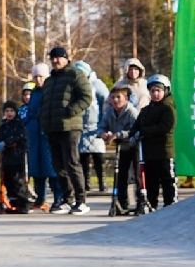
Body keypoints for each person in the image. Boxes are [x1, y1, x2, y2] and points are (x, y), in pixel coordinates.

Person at [39, 46, 94, 214]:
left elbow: (86, 97)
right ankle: (67, 200)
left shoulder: (75, 75)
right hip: (52, 127)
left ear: (66, 59)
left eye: (59, 58)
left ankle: (81, 201)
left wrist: (70, 111)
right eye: (53, 58)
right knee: (58, 165)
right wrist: (44, 121)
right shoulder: (49, 81)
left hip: (70, 126)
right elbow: (45, 103)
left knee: (71, 162)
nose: (55, 61)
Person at [134, 75, 177, 210]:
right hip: (149, 152)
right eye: (152, 91)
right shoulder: (146, 109)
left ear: (166, 91)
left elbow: (165, 127)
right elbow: (137, 125)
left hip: (164, 151)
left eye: (158, 90)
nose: (155, 94)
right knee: (151, 181)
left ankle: (170, 205)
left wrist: (144, 132)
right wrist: (130, 134)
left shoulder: (168, 107)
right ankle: (151, 205)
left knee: (167, 180)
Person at [97, 85, 141, 213]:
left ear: (126, 98)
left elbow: (136, 130)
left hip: (134, 145)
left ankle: (140, 201)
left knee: (137, 175)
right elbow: (101, 127)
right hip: (121, 147)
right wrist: (103, 134)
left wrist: (120, 134)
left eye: (118, 97)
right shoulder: (109, 112)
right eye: (113, 97)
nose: (115, 100)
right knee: (121, 175)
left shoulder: (131, 112)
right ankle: (122, 202)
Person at [20, 67, 58, 210]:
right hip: (34, 133)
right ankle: (40, 197)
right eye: (36, 77)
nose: (38, 79)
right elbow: (30, 112)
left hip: (47, 132)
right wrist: (25, 125)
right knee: (36, 168)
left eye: (41, 76)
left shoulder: (51, 90)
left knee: (51, 168)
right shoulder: (35, 93)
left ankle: (58, 198)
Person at [74, 60, 109, 193]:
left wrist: (103, 123)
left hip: (96, 126)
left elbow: (106, 102)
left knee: (98, 156)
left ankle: (102, 182)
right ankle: (86, 183)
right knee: (83, 157)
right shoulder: (75, 86)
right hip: (81, 126)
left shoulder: (97, 84)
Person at [0, 101, 31, 212]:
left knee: (18, 181)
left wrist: (6, 142)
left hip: (17, 156)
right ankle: (13, 202)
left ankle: (23, 203)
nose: (9, 113)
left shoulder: (19, 124)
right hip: (7, 157)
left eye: (11, 111)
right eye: (7, 111)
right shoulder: (4, 125)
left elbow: (19, 137)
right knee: (8, 181)